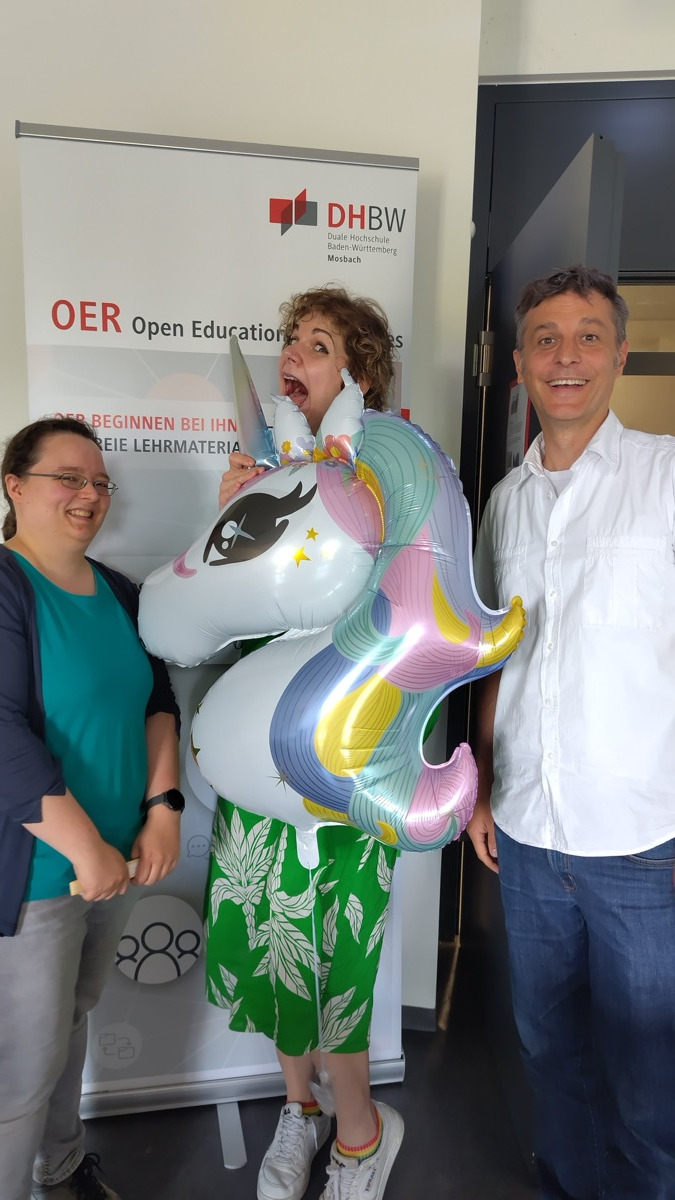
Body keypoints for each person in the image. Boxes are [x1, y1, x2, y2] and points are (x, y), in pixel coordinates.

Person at [467, 264, 675, 1199]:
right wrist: (479, 784)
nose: (566, 356)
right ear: (518, 363)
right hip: (525, 830)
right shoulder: (503, 503)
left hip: (642, 839)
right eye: (545, 338)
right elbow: (489, 658)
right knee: (548, 1049)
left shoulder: (664, 476)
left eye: (588, 336)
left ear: (619, 355)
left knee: (649, 1072)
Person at [205, 285, 404, 1200]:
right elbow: (224, 615)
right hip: (255, 746)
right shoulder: (261, 475)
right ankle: (302, 1110)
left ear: (358, 376)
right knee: (268, 934)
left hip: (343, 753)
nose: (292, 354)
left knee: (337, 952)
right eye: (290, 340)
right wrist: (231, 524)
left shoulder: (390, 472)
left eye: (317, 343)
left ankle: (362, 1136)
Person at [0, 417, 183, 1200]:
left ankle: (63, 1163)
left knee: (71, 1020)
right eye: (68, 478)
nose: (89, 495)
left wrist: (163, 809)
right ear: (14, 486)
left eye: (100, 482)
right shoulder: (7, 585)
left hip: (118, 860)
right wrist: (84, 849)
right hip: (39, 871)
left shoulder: (119, 591)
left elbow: (159, 701)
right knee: (21, 1067)